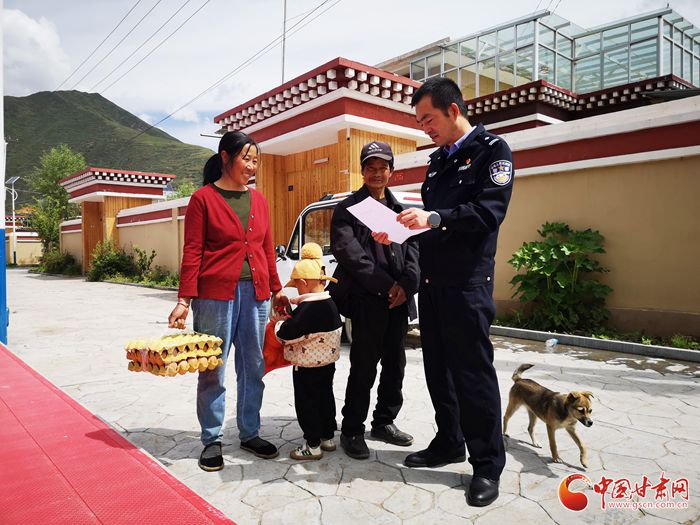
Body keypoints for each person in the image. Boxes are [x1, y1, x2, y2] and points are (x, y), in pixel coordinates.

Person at [387, 77, 513, 506]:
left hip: (467, 285)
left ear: (453, 110)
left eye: (429, 119)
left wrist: (434, 218)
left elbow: (488, 213)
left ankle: (487, 464)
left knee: (472, 375)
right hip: (433, 283)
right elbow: (431, 222)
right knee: (438, 369)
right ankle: (449, 441)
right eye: (420, 122)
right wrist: (401, 230)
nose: (425, 128)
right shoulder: (439, 161)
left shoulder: (493, 152)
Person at [168, 131, 288, 472]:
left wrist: (277, 289)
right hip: (214, 297)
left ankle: (250, 432)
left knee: (253, 366)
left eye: (255, 161)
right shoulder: (202, 199)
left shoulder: (259, 201)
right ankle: (211, 439)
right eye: (246, 159)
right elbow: (193, 251)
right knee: (213, 367)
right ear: (225, 157)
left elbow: (266, 249)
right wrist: (184, 300)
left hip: (256, 295)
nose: (251, 166)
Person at [328, 141, 420, 460]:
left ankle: (384, 422)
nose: (377, 173)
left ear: (391, 171)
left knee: (395, 364)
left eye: (383, 168)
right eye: (371, 168)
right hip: (367, 299)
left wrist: (406, 285)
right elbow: (349, 253)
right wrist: (386, 286)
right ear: (362, 171)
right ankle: (352, 428)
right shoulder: (348, 209)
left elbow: (414, 251)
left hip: (398, 301)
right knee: (364, 365)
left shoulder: (401, 211)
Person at [272, 242, 343, 461]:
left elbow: (287, 333)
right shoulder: (330, 303)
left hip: (306, 367)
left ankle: (312, 445)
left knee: (307, 403)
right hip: (327, 364)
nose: (296, 290)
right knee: (325, 398)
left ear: (303, 282)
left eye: (297, 286)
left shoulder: (308, 310)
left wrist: (278, 323)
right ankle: (327, 437)